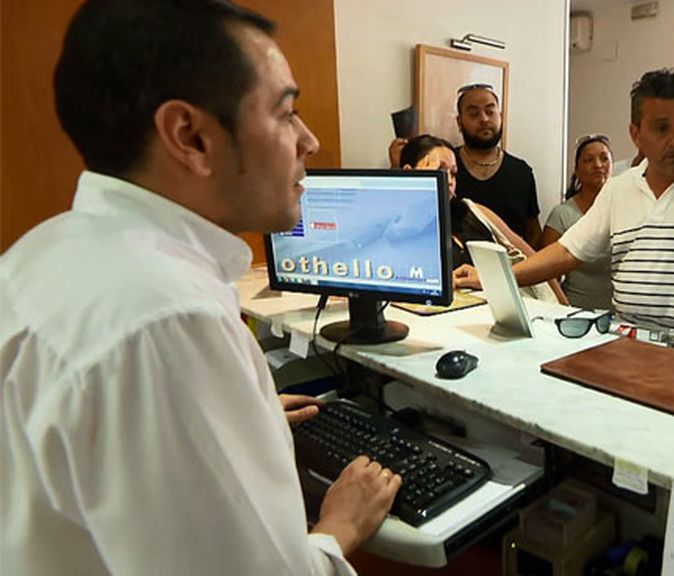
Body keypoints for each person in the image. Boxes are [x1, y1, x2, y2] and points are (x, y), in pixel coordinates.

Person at [0, 1, 399, 574]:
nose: (308, 140)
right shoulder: (167, 322)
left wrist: (239, 415)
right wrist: (337, 530)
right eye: (286, 113)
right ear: (190, 136)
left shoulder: (42, 253)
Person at [457, 68, 674, 356]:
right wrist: (496, 277)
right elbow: (566, 252)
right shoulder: (619, 188)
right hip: (625, 347)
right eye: (662, 128)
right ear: (636, 134)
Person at [398, 134, 565, 304]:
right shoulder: (399, 227)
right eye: (440, 170)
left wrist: (564, 306)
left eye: (454, 174)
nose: (449, 180)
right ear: (409, 172)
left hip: (503, 311)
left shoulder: (472, 211)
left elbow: (531, 257)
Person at [454, 84, 544, 249]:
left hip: (513, 270)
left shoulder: (521, 172)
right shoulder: (447, 167)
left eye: (490, 112)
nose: (484, 119)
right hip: (459, 270)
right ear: (459, 122)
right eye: (474, 114)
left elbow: (533, 232)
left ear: (500, 116)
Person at [541, 134, 614, 310]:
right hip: (575, 313)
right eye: (589, 160)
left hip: (620, 317)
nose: (598, 165)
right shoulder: (562, 214)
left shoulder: (626, 210)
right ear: (577, 170)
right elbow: (548, 276)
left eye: (604, 158)